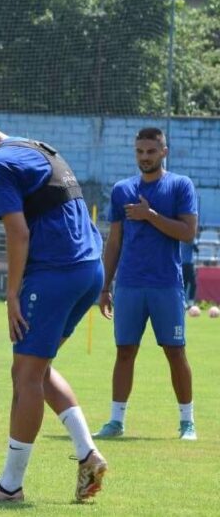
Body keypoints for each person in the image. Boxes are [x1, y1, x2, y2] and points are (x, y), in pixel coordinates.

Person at [0, 101, 107, 503]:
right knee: (39, 369)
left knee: (25, 377)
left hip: (54, 274)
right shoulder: (36, 147)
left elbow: (18, 234)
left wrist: (11, 293)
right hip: (88, 268)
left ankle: (10, 487)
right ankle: (88, 454)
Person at [94, 127, 198, 441]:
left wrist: (150, 215)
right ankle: (116, 421)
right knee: (124, 351)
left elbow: (187, 232)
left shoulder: (180, 185)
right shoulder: (122, 189)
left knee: (175, 351)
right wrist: (104, 285)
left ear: (164, 151)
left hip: (166, 284)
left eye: (151, 151)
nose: (145, 157)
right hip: (128, 285)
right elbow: (114, 242)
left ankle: (187, 422)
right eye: (140, 151)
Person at [181, 240, 197, 307]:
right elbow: (196, 249)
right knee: (193, 284)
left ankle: (183, 302)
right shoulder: (190, 238)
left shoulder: (181, 239)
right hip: (189, 264)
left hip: (182, 264)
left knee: (185, 284)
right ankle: (190, 302)